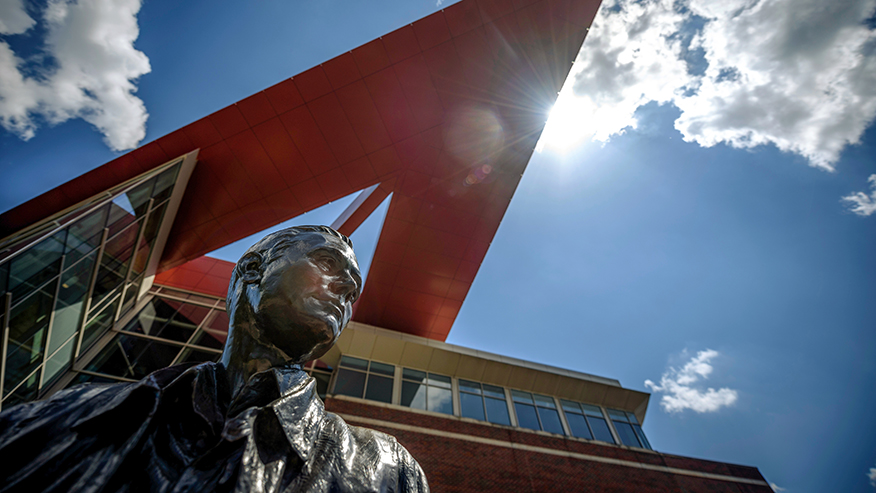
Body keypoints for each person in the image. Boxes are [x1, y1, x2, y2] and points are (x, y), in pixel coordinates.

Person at [0, 225, 429, 493]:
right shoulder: (65, 418)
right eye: (326, 263)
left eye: (353, 290)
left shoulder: (388, 470)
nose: (343, 291)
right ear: (254, 268)